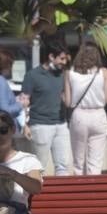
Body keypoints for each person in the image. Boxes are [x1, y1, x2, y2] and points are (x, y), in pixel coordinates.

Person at [22, 39, 71, 176]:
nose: (64, 62)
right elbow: (24, 101)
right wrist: (25, 124)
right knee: (39, 167)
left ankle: (62, 196)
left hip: (62, 125)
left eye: (65, 59)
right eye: (61, 59)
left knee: (62, 166)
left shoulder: (63, 75)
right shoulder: (32, 75)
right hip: (40, 126)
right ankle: (37, 197)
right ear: (51, 56)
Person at [64, 43, 107, 176]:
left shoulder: (70, 73)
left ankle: (79, 194)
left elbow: (68, 103)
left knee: (78, 163)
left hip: (79, 116)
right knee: (95, 164)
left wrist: (62, 96)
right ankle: (94, 193)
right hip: (98, 115)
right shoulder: (103, 72)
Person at [0, 110, 44, 214]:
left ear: (13, 130)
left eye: (3, 130)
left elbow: (36, 188)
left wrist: (13, 174)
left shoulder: (27, 159)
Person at [0, 50, 25, 130]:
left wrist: (15, 100)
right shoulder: (1, 81)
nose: (11, 69)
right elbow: (4, 111)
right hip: (6, 131)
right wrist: (21, 104)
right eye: (11, 65)